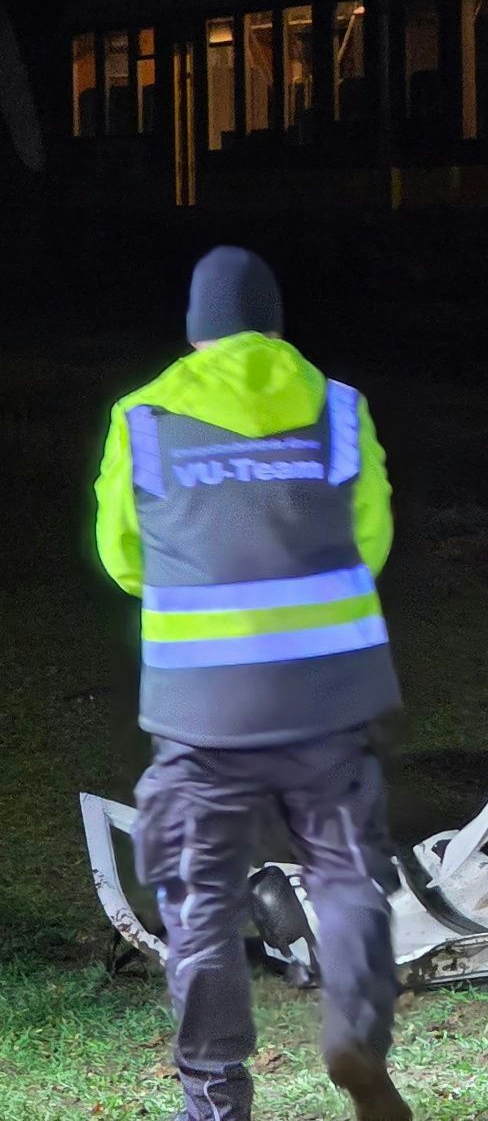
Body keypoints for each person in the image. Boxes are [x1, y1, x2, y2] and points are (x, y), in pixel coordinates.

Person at [93, 246, 411, 1121]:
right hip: (329, 702)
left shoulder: (143, 420)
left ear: (196, 332)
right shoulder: (341, 411)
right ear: (274, 323)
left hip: (199, 714)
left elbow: (122, 558)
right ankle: (355, 1034)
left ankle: (217, 1098)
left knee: (197, 902)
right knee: (346, 875)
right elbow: (371, 544)